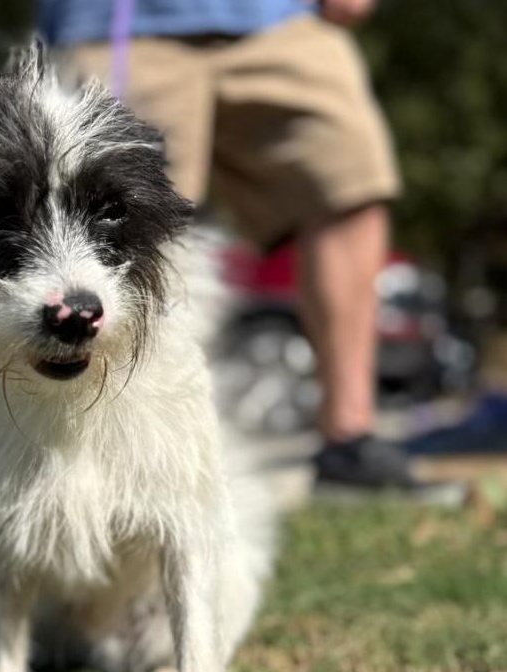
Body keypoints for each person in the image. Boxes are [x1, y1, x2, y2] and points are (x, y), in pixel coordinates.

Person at [38, 0, 454, 497]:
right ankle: (109, 462)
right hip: (114, 21)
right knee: (114, 217)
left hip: (280, 17)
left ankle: (350, 442)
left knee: (352, 182)